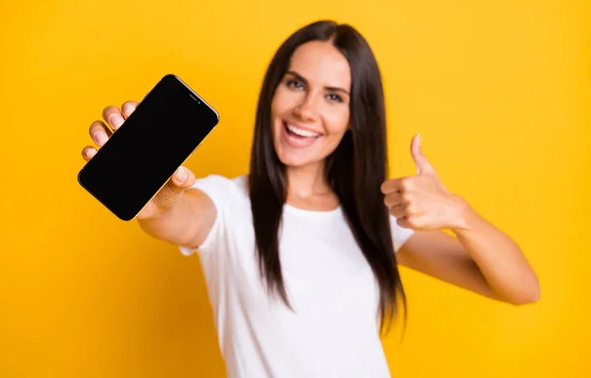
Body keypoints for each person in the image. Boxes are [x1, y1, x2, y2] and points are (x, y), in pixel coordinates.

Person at [81, 20, 540, 378]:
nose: (306, 110)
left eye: (334, 96)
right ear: (273, 91)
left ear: (355, 118)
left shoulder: (373, 218)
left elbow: (521, 289)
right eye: (296, 84)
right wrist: (156, 203)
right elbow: (176, 216)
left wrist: (461, 215)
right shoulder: (228, 204)